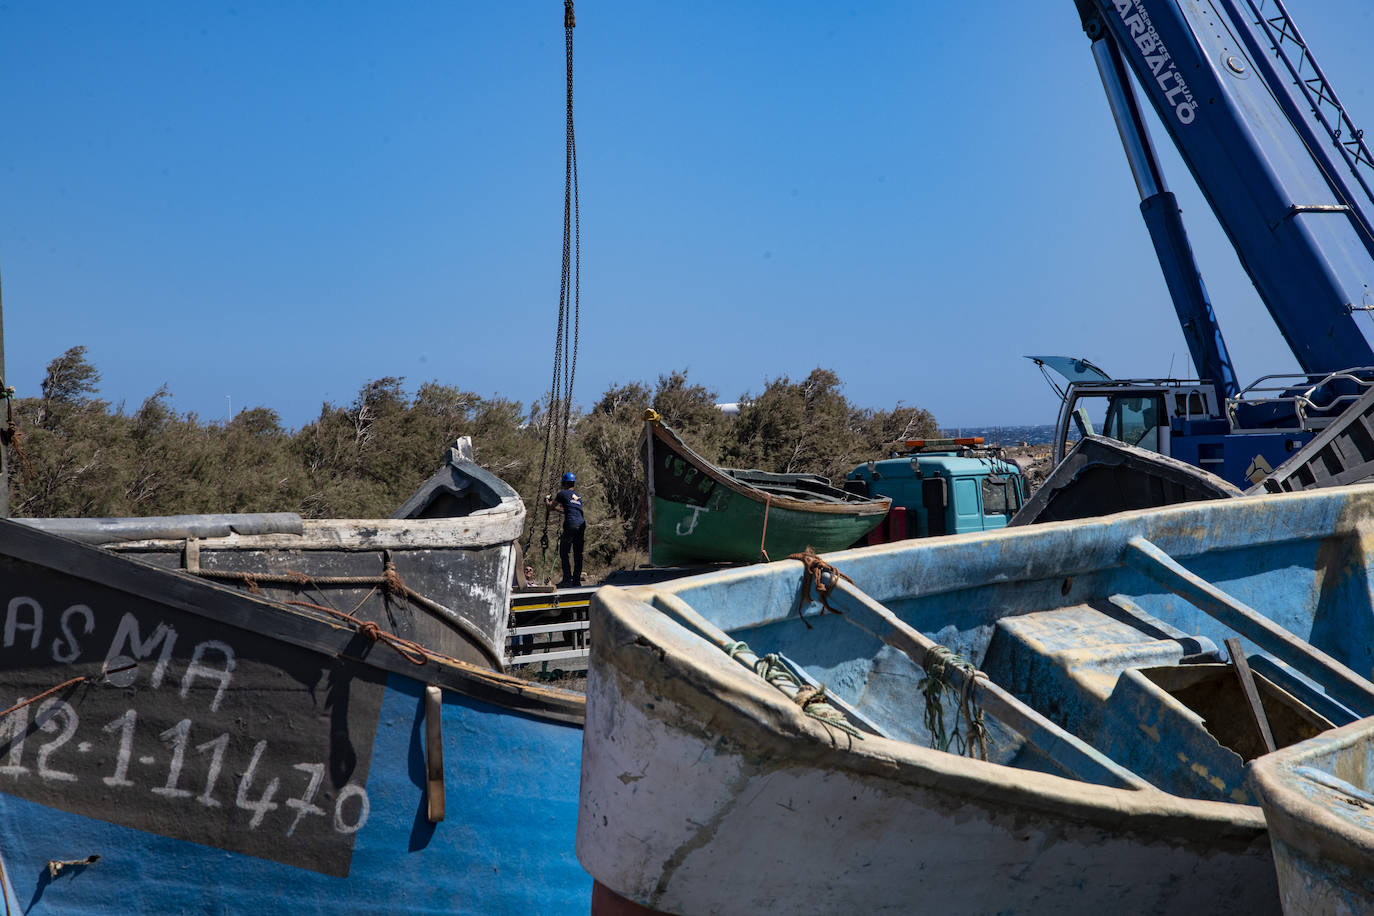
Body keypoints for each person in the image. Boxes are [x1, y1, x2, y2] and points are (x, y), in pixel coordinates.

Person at [545, 471, 585, 587]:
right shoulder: (578, 497)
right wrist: (558, 509)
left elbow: (550, 507)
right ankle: (576, 581)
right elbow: (565, 510)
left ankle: (567, 579)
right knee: (578, 553)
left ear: (564, 483)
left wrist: (547, 500)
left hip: (570, 524)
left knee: (564, 551)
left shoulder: (562, 494)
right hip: (581, 524)